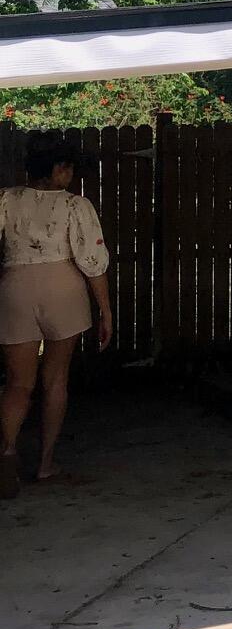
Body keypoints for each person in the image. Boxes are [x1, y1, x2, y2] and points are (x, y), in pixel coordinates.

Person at [0, 144, 113, 496]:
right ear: (59, 169)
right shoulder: (75, 205)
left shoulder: (6, 199)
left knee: (18, 384)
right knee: (55, 380)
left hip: (15, 286)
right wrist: (105, 310)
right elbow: (92, 261)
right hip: (63, 289)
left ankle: (6, 453)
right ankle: (46, 464)